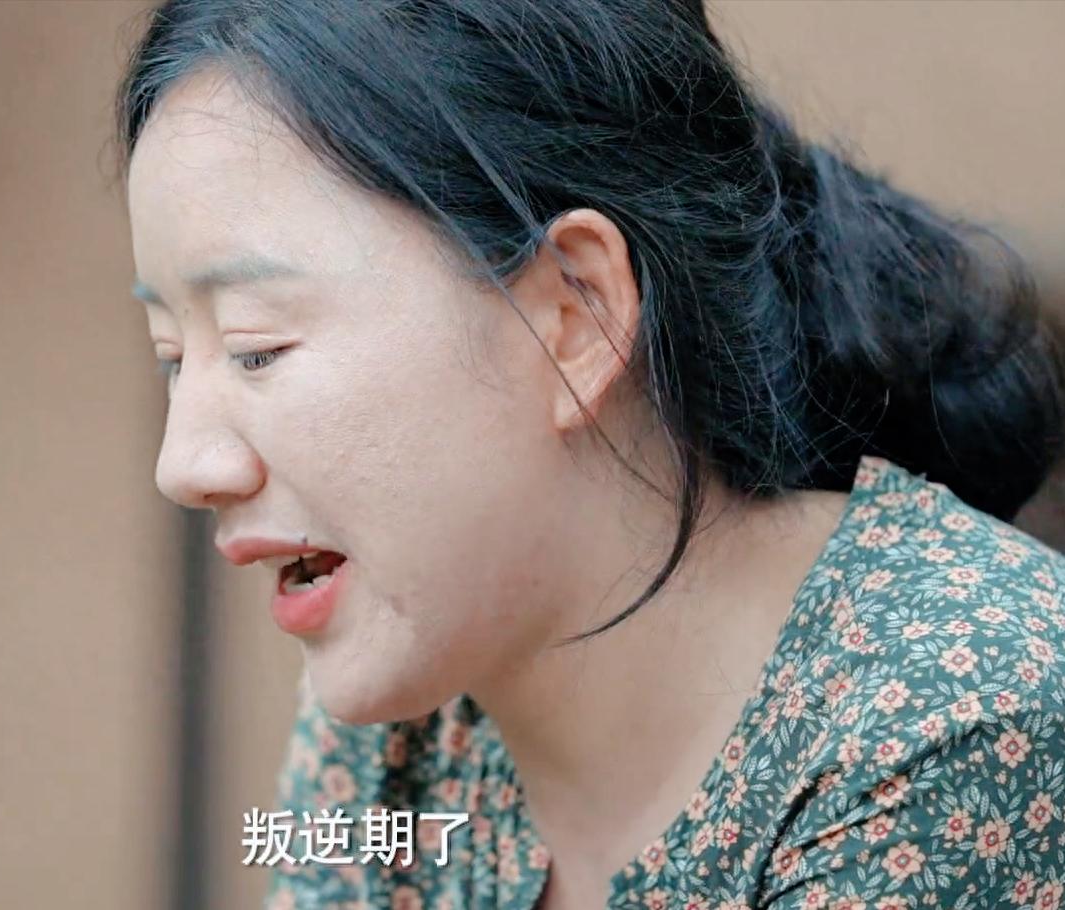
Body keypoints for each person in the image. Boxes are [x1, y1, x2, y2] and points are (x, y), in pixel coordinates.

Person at [113, 1, 1065, 907]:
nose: (184, 465)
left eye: (257, 347)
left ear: (573, 316)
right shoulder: (403, 710)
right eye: (171, 357)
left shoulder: (956, 720)